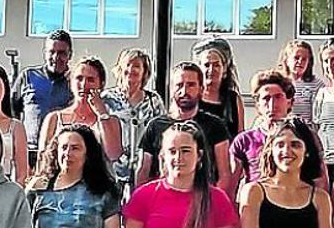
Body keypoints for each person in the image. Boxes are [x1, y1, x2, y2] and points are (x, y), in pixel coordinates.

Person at [136, 63, 233, 195]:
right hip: (161, 199)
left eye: (191, 85)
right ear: (171, 89)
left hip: (202, 200)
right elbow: (143, 170)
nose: (184, 91)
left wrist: (211, 202)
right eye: (179, 85)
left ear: (201, 89)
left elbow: (225, 174)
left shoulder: (216, 126)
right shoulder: (155, 126)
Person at [228, 71, 322, 192]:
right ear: (258, 105)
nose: (272, 104)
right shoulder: (244, 140)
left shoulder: (305, 136)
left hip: (298, 199)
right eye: (266, 98)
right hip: (257, 199)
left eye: (278, 97)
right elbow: (231, 184)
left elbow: (320, 179)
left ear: (289, 102)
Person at [37, 57, 123, 163]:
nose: (84, 85)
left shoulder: (111, 121)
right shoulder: (54, 118)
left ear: (101, 84)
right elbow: (42, 159)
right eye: (79, 78)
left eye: (90, 80)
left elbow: (114, 155)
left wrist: (102, 113)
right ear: (71, 82)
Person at [103, 49, 165, 189]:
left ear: (144, 72)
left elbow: (162, 135)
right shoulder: (107, 99)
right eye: (127, 65)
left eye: (137, 66)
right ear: (120, 69)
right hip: (112, 174)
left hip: (145, 172)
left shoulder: (153, 101)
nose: (131, 69)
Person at [12, 30, 73, 168]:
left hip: (62, 155)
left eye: (62, 53)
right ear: (45, 53)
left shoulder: (75, 82)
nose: (56, 57)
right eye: (52, 52)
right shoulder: (28, 76)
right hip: (29, 153)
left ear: (70, 55)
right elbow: (11, 110)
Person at [192, 36, 244, 136]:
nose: (211, 70)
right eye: (207, 65)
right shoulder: (192, 96)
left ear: (224, 68)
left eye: (216, 65)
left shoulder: (233, 99)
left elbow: (240, 136)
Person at [278, 39, 324, 125]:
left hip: (306, 129)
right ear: (287, 60)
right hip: (282, 128)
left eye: (304, 59)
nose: (300, 62)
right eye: (296, 58)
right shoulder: (278, 83)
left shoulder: (317, 85)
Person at [314, 39, 334, 180]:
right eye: (326, 61)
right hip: (326, 165)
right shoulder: (322, 94)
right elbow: (316, 129)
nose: (330, 65)